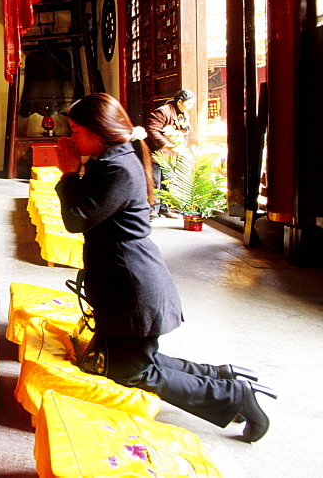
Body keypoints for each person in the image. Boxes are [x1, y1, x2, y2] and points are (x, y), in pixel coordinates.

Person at [54, 92, 276, 443]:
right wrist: (77, 171)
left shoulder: (115, 166)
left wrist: (69, 174)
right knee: (129, 361)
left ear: (101, 132)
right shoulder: (113, 157)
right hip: (122, 280)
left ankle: (235, 395)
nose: (70, 139)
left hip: (131, 285)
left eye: (76, 131)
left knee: (133, 369)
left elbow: (77, 217)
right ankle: (224, 378)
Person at [146, 89, 196, 219]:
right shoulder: (163, 111)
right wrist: (166, 144)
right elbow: (152, 130)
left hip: (172, 154)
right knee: (155, 182)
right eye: (189, 104)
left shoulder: (183, 114)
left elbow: (186, 132)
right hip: (157, 154)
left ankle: (164, 208)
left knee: (167, 181)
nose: (190, 107)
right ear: (180, 102)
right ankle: (152, 209)